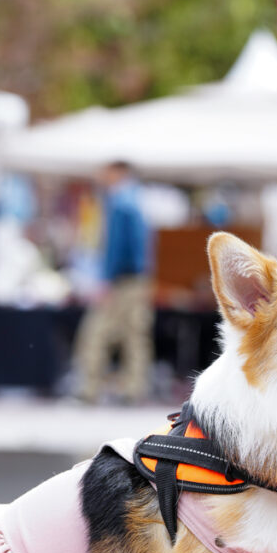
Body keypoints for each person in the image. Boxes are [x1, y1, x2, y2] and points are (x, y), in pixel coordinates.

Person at [74, 162, 154, 404]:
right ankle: (134, 389)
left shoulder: (119, 202)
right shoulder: (137, 200)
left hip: (121, 280)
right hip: (137, 278)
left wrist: (107, 279)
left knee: (96, 331)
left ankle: (89, 388)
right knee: (135, 335)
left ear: (117, 172)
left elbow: (116, 247)